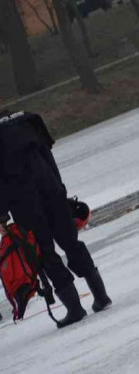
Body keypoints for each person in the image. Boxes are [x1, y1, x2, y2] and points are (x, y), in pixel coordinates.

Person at [0, 108, 111, 328]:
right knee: (71, 243)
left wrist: (2, 216)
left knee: (45, 253)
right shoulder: (27, 120)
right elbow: (48, 157)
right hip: (51, 189)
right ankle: (101, 295)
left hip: (24, 200)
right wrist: (60, 189)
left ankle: (74, 309)